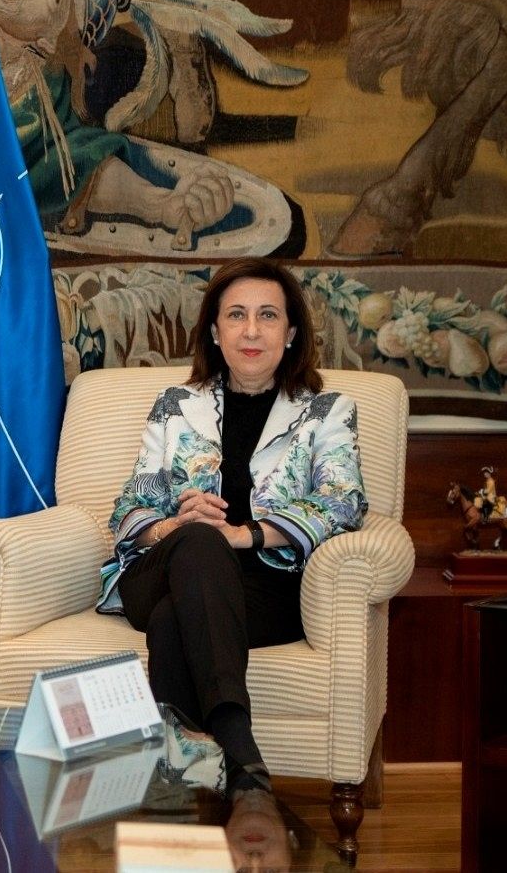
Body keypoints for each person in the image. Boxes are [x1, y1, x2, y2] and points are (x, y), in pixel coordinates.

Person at [97, 257, 367, 797]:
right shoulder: (177, 406)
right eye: (236, 315)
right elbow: (129, 502)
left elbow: (344, 501)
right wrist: (174, 523)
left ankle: (186, 787)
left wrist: (246, 535)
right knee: (196, 540)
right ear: (215, 332)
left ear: (290, 333)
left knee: (178, 621)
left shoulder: (326, 411)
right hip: (162, 571)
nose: (250, 329)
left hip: (266, 588)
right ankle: (238, 742)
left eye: (267, 316)